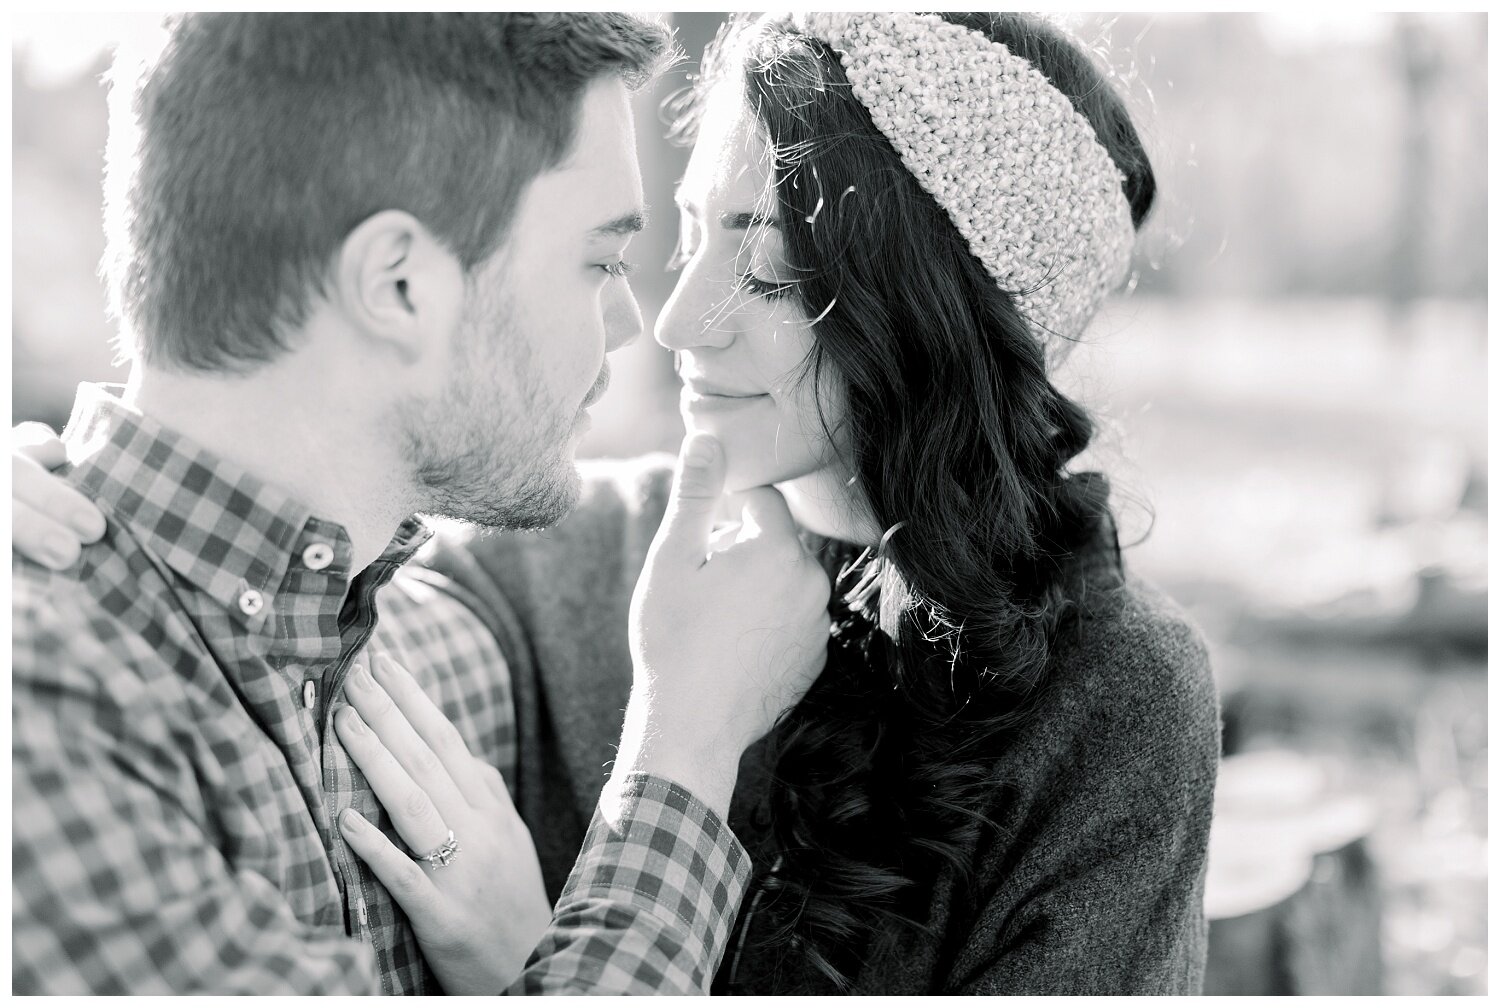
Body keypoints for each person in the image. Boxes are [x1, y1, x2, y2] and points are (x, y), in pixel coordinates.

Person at [16, 11, 1222, 996]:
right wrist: (80, 518)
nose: (674, 317)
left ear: (932, 307)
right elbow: (275, 616)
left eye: (764, 258)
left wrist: (522, 969)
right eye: (675, 239)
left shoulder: (1117, 698)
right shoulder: (569, 559)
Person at [9, 12, 831, 995]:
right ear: (398, 283)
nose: (633, 324)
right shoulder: (44, 716)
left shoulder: (396, 650)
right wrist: (686, 751)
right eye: (601, 261)